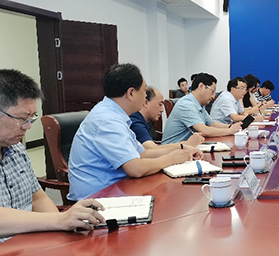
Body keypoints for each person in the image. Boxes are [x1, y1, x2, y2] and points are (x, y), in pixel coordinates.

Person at [68, 64, 202, 201]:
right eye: (144, 91)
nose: (145, 96)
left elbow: (143, 153)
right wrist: (171, 159)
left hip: (117, 189)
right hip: (96, 200)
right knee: (170, 199)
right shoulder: (108, 121)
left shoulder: (115, 114)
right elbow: (135, 169)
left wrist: (182, 149)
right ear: (131, 93)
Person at [0, 69, 106, 243]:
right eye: (22, 118)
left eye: (31, 118)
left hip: (29, 244)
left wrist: (63, 229)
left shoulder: (16, 150)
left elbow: (37, 197)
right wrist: (59, 220)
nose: (28, 127)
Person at [162, 73, 242, 143]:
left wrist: (231, 127)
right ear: (201, 86)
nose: (213, 96)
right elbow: (204, 130)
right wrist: (229, 131)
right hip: (173, 150)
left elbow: (212, 124)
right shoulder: (186, 104)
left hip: (188, 148)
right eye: (212, 91)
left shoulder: (199, 105)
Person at [130, 86, 205, 150]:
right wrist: (188, 143)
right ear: (146, 103)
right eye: (160, 104)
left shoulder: (145, 120)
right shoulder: (135, 121)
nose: (162, 109)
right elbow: (153, 149)